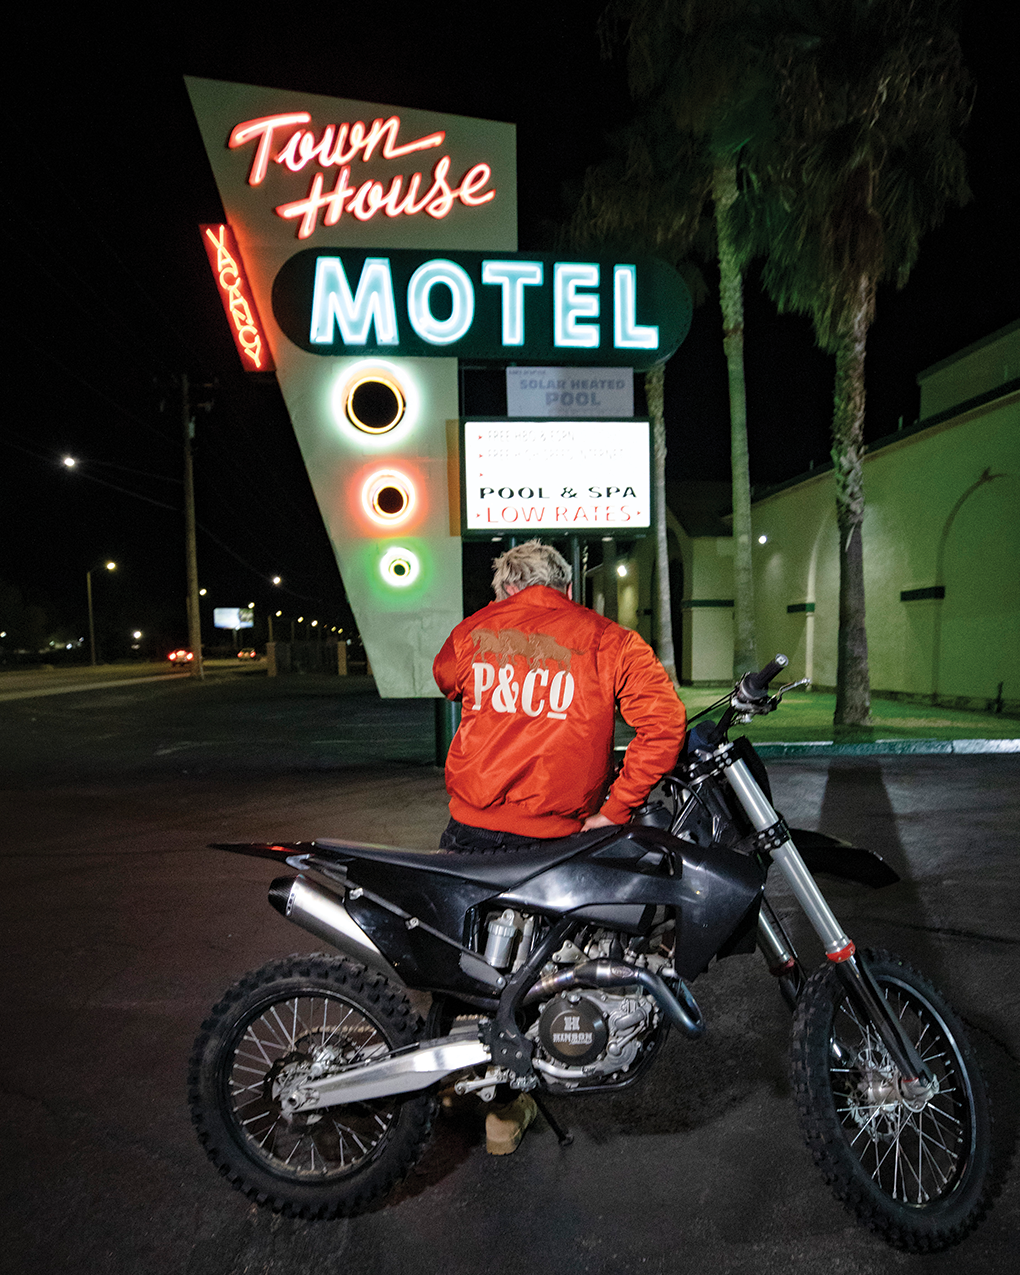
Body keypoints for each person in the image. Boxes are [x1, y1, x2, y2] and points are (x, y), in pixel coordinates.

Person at [432, 540, 686, 1154]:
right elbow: (665, 724)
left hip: (470, 829)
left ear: (503, 590)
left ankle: (446, 1078)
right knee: (532, 969)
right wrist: (614, 810)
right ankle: (503, 1113)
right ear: (567, 588)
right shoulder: (609, 640)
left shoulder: (475, 631)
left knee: (458, 958)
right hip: (553, 841)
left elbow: (447, 678)